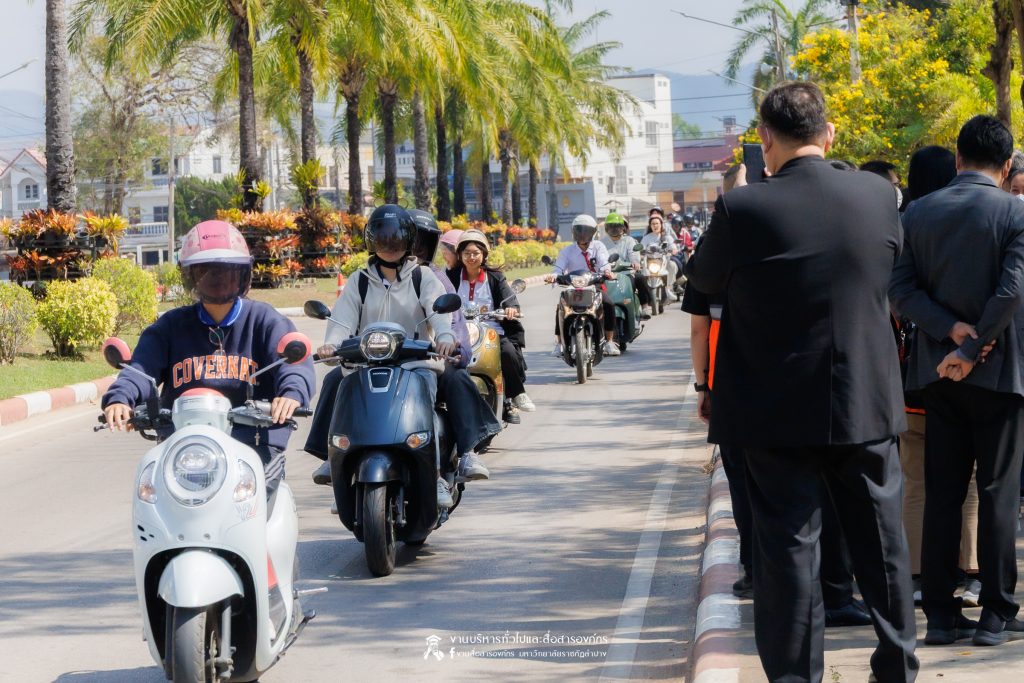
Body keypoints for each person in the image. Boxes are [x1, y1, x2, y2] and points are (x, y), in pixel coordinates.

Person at [685, 82, 918, 683]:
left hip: (775, 411)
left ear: (765, 138)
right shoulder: (878, 194)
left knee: (788, 552)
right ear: (830, 133)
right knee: (883, 544)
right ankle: (897, 665)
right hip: (864, 400)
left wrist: (740, 196)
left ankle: (795, 677)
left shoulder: (744, 208)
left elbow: (703, 279)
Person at [890, 114, 1024, 647]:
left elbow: (900, 289)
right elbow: (1011, 291)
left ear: (959, 159)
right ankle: (995, 613)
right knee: (996, 493)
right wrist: (974, 345)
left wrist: (951, 334)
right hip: (1002, 374)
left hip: (937, 372)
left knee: (942, 492)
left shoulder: (918, 212)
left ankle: (942, 618)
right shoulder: (1014, 212)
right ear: (1006, 165)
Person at [102, 220, 316, 497]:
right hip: (183, 450)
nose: (217, 279)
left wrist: (291, 394)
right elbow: (141, 369)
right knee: (152, 497)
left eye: (228, 271)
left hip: (253, 445)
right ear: (190, 276)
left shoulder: (264, 320)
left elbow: (293, 362)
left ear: (243, 275)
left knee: (256, 506)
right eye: (205, 271)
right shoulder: (170, 326)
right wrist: (121, 398)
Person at [305, 205, 494, 510]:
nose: (389, 245)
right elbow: (342, 319)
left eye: (396, 238)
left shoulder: (423, 277)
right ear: (371, 240)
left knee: (428, 399)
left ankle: (436, 475)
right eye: (383, 238)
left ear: (408, 241)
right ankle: (335, 462)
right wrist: (331, 345)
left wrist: (445, 338)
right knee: (334, 381)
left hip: (415, 362)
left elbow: (438, 311)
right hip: (366, 360)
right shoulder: (359, 280)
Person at [897, 145, 981, 607]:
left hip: (913, 373)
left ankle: (916, 574)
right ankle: (971, 572)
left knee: (916, 480)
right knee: (968, 480)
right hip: (969, 366)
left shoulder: (903, 225)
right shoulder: (966, 221)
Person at [446, 228, 535, 418]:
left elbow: (509, 298)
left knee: (508, 352)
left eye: (475, 253)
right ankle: (442, 399)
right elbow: (441, 297)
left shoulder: (495, 277)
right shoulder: (451, 276)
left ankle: (516, 394)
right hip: (459, 332)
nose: (471, 257)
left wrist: (511, 309)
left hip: (491, 332)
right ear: (460, 255)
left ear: (484, 254)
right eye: (467, 253)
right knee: (443, 356)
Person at [544, 214, 619, 356]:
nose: (583, 235)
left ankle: (609, 341)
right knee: (560, 306)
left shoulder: (598, 246)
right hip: (573, 288)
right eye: (579, 231)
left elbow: (604, 262)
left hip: (593, 286)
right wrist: (553, 276)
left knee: (609, 304)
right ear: (574, 232)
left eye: (586, 231)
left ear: (593, 232)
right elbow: (558, 268)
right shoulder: (567, 251)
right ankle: (559, 343)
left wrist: (607, 272)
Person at [600, 212, 651, 319]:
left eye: (617, 226)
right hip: (608, 275)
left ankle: (645, 307)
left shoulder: (629, 240)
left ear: (623, 228)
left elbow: (634, 255)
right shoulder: (601, 243)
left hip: (626, 274)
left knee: (640, 278)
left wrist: (635, 263)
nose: (614, 229)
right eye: (611, 226)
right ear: (606, 228)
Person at [641, 213, 680, 301]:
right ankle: (644, 294)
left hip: (664, 262)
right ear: (650, 226)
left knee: (672, 265)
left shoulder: (667, 237)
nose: (655, 226)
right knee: (640, 272)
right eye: (653, 224)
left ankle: (669, 288)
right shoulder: (646, 238)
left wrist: (673, 250)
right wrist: (640, 253)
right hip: (649, 262)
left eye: (657, 223)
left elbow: (673, 247)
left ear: (661, 224)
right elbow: (641, 248)